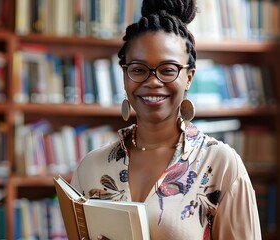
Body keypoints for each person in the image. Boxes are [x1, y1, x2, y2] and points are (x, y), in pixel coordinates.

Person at [70, 0, 262, 239]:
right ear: (125, 75)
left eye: (168, 69)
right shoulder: (91, 167)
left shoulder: (220, 165)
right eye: (138, 69)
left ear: (189, 77)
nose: (152, 81)